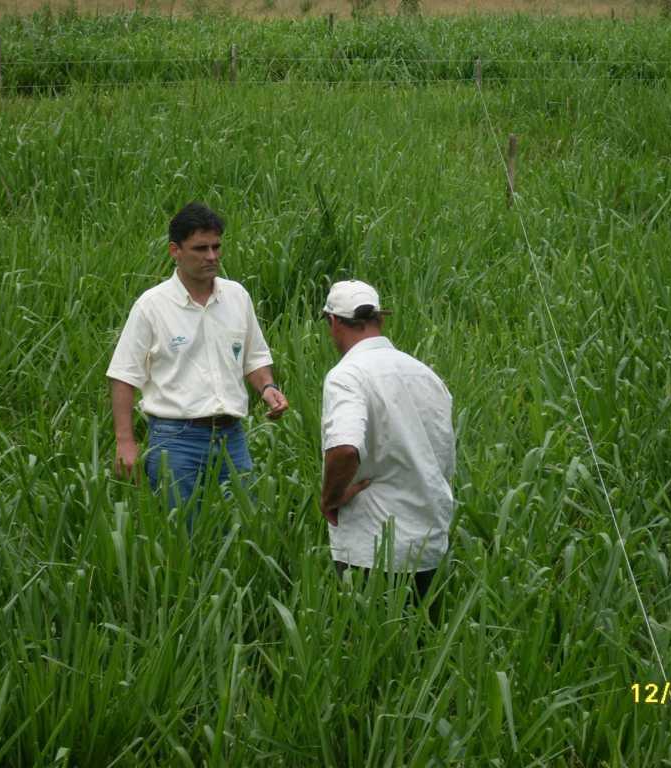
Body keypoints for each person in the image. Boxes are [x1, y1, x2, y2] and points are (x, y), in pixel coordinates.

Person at [107, 202, 289, 525]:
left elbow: (254, 358)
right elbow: (123, 376)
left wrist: (268, 387)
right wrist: (125, 442)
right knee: (179, 533)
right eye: (201, 248)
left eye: (216, 247)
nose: (212, 256)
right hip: (175, 439)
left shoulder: (236, 297)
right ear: (174, 250)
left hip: (232, 437)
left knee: (243, 528)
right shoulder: (152, 306)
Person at [319, 280, 455, 603]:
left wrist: (330, 497)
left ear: (334, 322)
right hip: (429, 542)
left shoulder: (346, 376)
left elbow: (344, 448)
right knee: (423, 646)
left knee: (369, 645)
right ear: (379, 319)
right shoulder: (425, 374)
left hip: (372, 547)